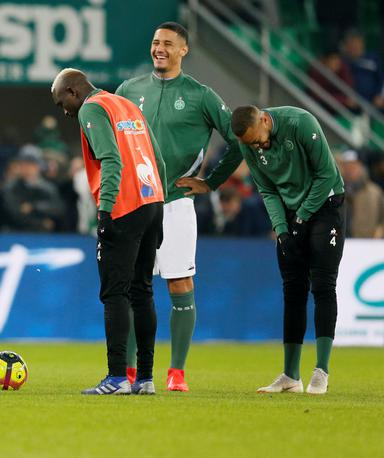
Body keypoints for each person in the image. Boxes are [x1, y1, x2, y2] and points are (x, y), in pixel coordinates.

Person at [115, 21, 243, 390]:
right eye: (156, 42)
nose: (160, 48)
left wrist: (211, 182)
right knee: (130, 286)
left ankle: (176, 373)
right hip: (136, 202)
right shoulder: (129, 89)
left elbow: (237, 141)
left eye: (168, 44)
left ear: (183, 50)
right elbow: (109, 138)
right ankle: (127, 370)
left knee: (179, 283)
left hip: (175, 204)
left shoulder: (201, 95)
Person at [51, 68, 166, 395]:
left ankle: (117, 377)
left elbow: (111, 160)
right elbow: (156, 158)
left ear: (73, 91)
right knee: (143, 291)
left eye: (63, 103)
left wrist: (104, 213)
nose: (65, 112)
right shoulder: (126, 105)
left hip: (123, 206)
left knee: (115, 292)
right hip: (151, 200)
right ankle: (145, 378)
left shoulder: (92, 108)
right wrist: (161, 201)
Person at [221, 105, 343, 394]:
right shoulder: (248, 143)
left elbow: (326, 174)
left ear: (264, 119)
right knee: (293, 289)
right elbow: (267, 189)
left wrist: (303, 215)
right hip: (290, 210)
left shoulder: (300, 123)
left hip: (325, 206)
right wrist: (282, 229)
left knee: (323, 285)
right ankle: (290, 376)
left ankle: (321, 371)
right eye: (250, 144)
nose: (258, 146)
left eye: (258, 139)